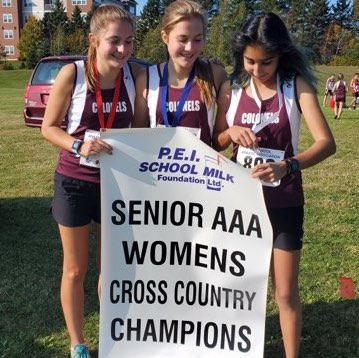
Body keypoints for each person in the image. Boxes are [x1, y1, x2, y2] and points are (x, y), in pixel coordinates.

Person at [212, 12, 336, 358]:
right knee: (236, 287)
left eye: (266, 61)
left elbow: (326, 143)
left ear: (281, 54)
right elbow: (217, 140)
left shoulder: (295, 85)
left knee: (284, 293)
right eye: (249, 61)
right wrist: (229, 132)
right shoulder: (234, 89)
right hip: (238, 207)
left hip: (283, 204)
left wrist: (288, 165)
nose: (256, 69)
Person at [41, 5, 142, 357]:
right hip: (74, 181)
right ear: (94, 40)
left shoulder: (134, 76)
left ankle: (112, 335)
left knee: (112, 267)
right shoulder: (74, 74)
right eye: (114, 41)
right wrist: (79, 143)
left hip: (116, 184)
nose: (122, 50)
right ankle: (78, 343)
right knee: (75, 268)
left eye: (129, 42)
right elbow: (48, 127)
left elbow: (141, 131)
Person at [133, 0, 228, 147]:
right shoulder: (145, 78)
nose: (190, 48)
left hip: (201, 169)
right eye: (183, 39)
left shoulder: (215, 75)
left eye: (197, 39)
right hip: (158, 168)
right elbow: (136, 137)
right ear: (165, 37)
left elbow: (218, 144)